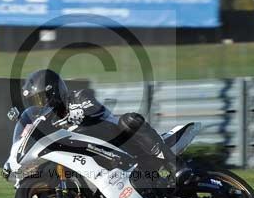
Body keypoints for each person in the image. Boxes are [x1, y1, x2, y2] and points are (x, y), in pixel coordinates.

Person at [17, 68, 192, 188]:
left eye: (41, 99)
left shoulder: (79, 97)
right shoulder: (51, 122)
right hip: (96, 161)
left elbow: (93, 109)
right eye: (34, 102)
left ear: (53, 92)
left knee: (129, 119)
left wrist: (78, 116)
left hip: (122, 144)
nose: (39, 106)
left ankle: (174, 165)